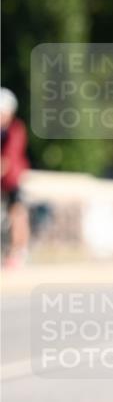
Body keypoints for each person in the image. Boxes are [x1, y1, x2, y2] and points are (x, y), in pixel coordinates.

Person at [1, 88, 29, 268]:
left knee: (17, 212)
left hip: (12, 179)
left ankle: (19, 251)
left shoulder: (15, 130)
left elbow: (8, 159)